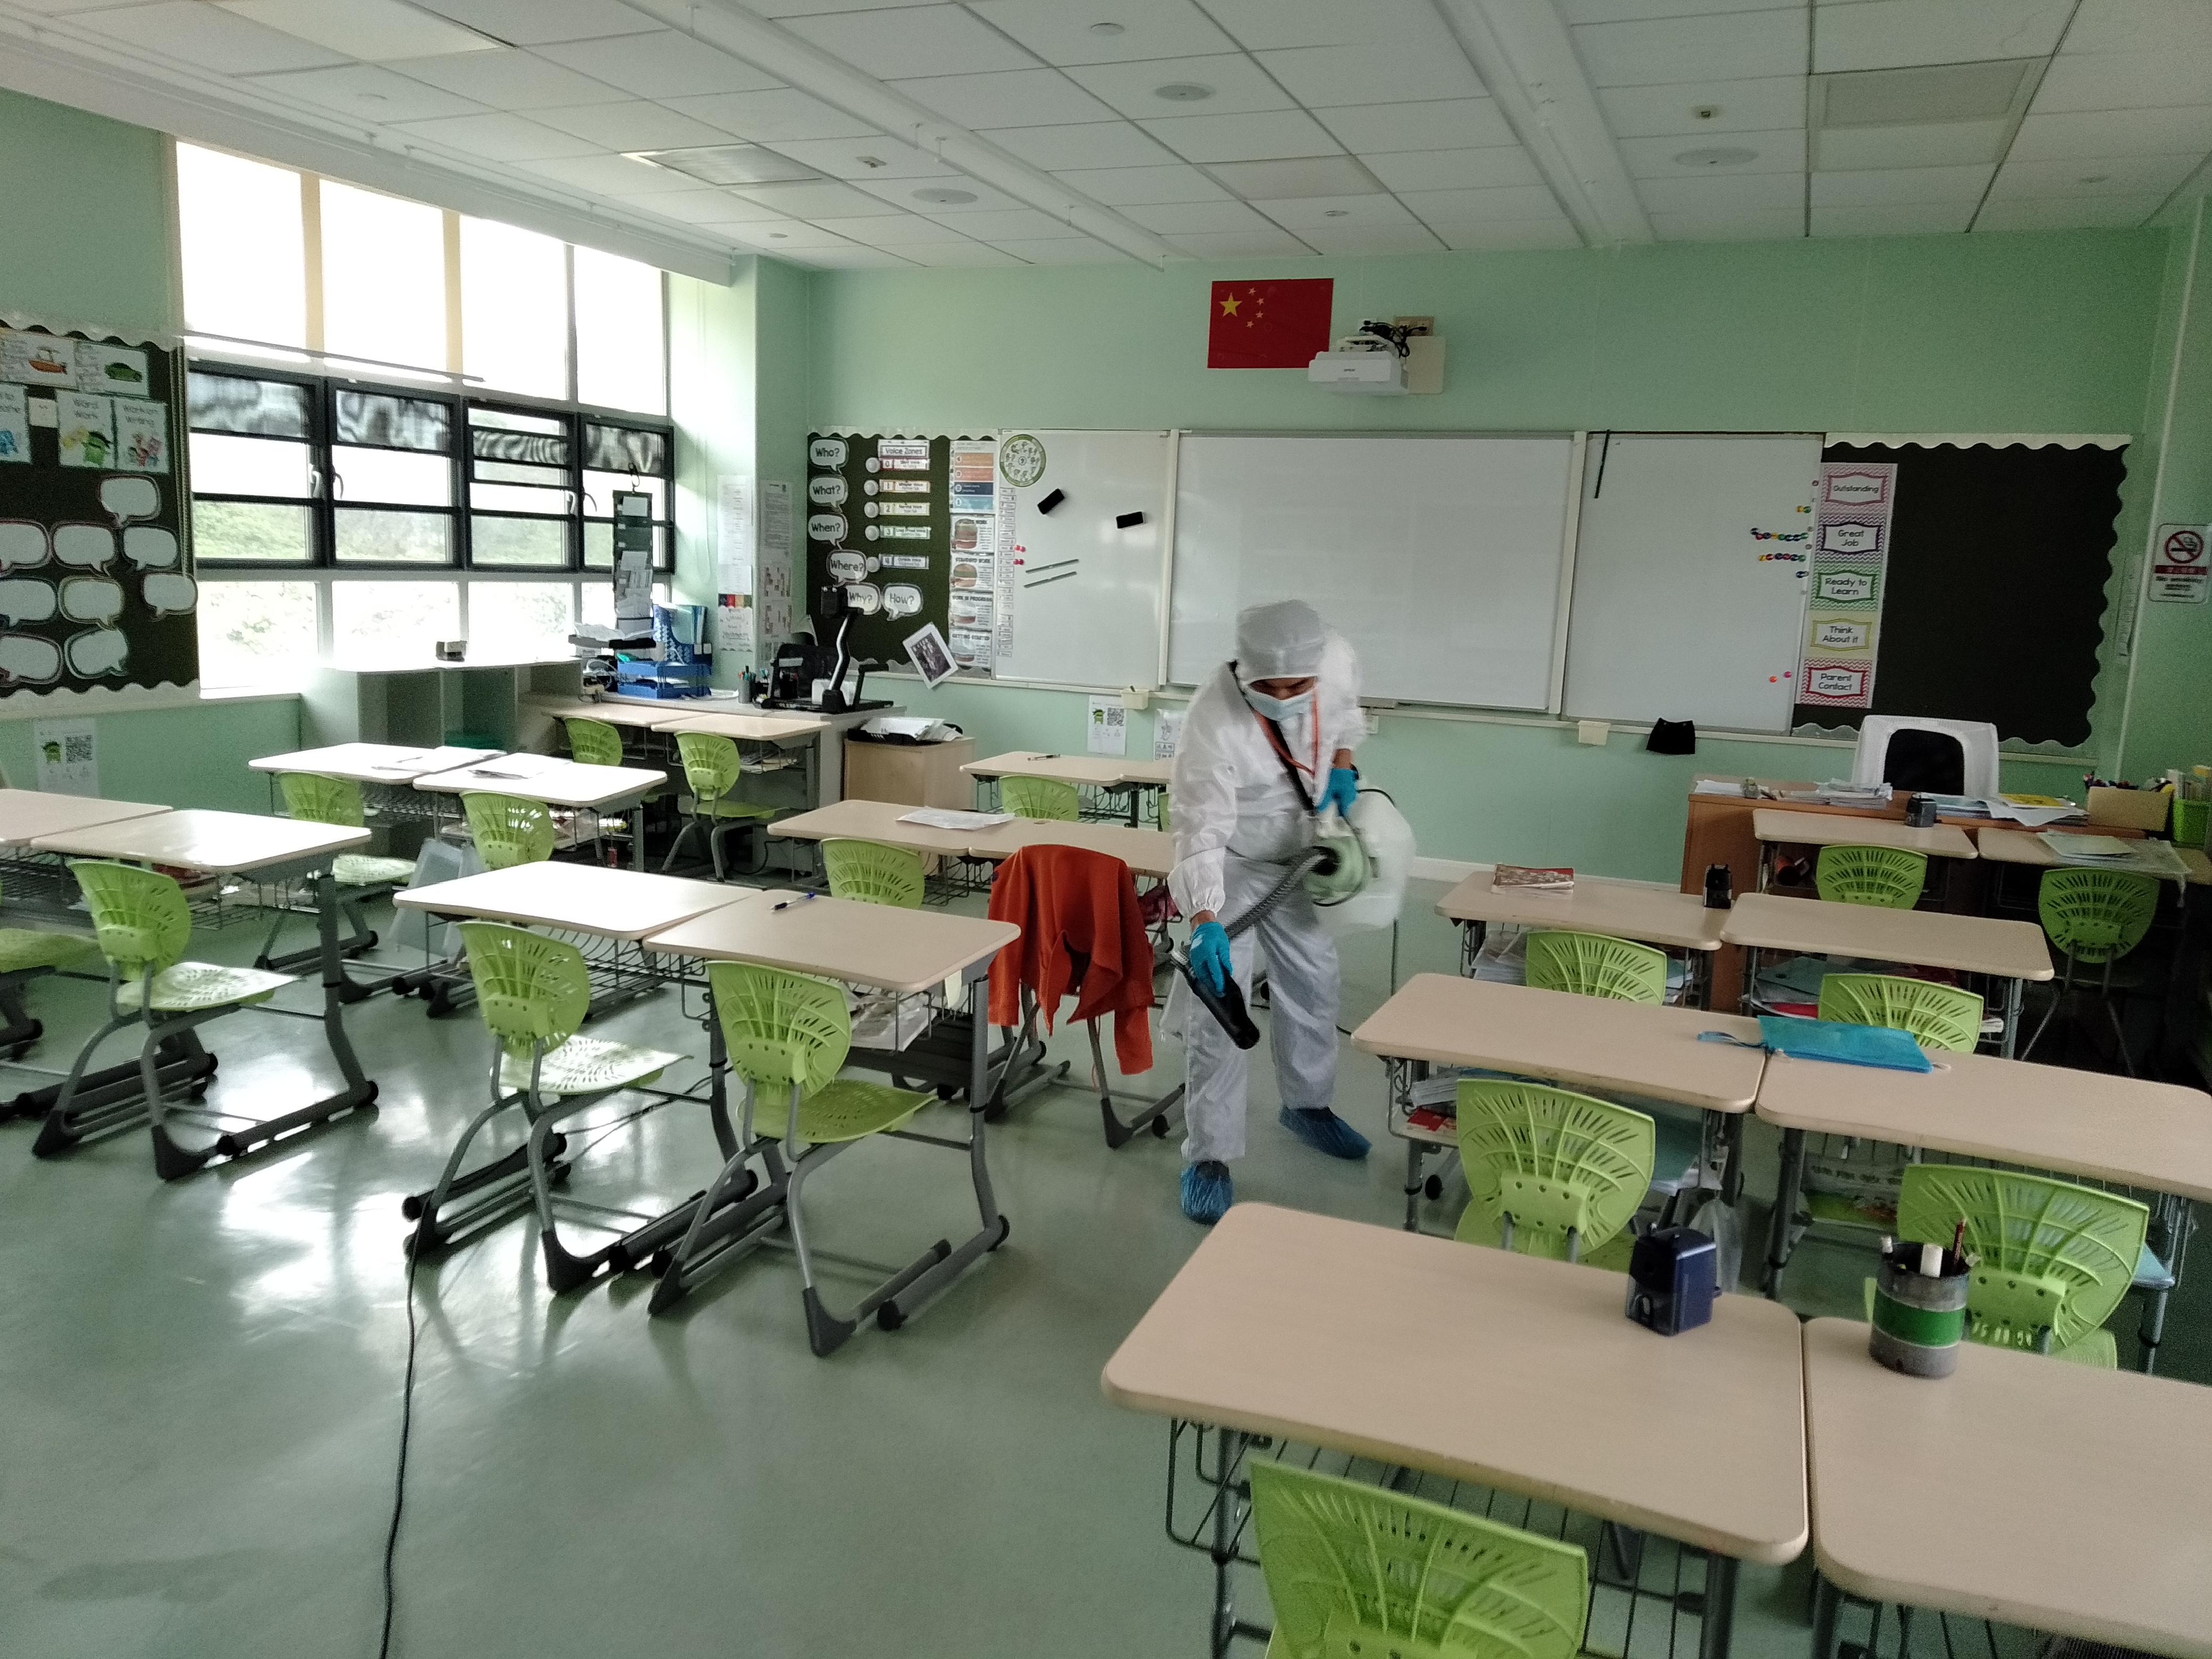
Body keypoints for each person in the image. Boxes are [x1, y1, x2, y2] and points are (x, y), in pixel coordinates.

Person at [1167, 599, 1369, 1225]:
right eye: (1268, 687)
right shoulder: (1212, 717)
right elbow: (1199, 828)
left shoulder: (1335, 661)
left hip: (1300, 855)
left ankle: (1307, 1106)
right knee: (1218, 1013)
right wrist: (1204, 917)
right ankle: (1209, 1155)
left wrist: (1343, 766)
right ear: (1243, 668)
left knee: (1314, 980)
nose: (1283, 696)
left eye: (1296, 686)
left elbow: (1347, 718)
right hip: (1232, 861)